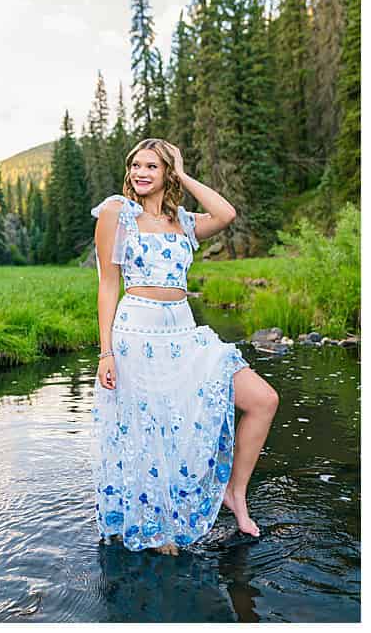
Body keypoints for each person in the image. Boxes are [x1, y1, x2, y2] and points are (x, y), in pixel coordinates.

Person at [91, 138, 278, 553]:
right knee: (152, 434)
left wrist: (183, 173)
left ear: (167, 174)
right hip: (137, 334)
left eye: (152, 166)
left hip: (185, 333)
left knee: (263, 399)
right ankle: (155, 526)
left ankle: (235, 493)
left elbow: (226, 213)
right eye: (135, 165)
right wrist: (106, 351)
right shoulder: (116, 214)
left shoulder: (184, 221)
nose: (141, 172)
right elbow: (107, 284)